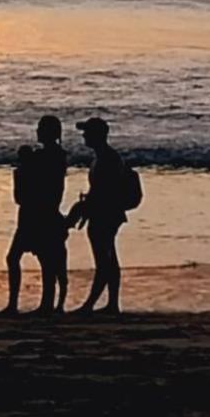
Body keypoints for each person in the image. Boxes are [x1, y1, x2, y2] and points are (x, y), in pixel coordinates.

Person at [2, 115, 69, 316]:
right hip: (42, 212)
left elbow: (26, 192)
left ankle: (30, 304)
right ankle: (35, 304)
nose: (38, 131)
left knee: (34, 259)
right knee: (41, 260)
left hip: (38, 213)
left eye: (41, 128)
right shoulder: (55, 156)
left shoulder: (48, 157)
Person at [69, 116, 126, 315]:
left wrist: (85, 208)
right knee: (109, 257)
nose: (84, 136)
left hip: (105, 214)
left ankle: (91, 305)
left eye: (87, 132)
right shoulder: (103, 157)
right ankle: (111, 304)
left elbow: (104, 191)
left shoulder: (107, 158)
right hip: (106, 212)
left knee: (103, 259)